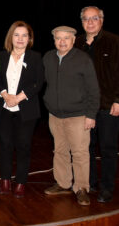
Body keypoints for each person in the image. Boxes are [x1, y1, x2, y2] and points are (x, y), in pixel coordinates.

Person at [75, 6, 119, 203]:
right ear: (81, 21)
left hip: (109, 106)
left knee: (108, 148)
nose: (90, 22)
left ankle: (107, 187)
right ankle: (90, 183)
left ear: (101, 20)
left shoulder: (115, 42)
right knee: (86, 147)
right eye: (86, 19)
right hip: (84, 108)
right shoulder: (76, 44)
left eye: (94, 18)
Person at [43, 25, 100, 206]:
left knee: (80, 153)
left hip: (78, 115)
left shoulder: (83, 59)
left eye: (66, 38)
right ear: (54, 40)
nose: (62, 42)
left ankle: (82, 188)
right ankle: (62, 183)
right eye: (58, 38)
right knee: (59, 151)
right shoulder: (48, 58)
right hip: (55, 115)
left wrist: (91, 115)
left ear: (74, 40)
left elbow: (93, 89)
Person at [0, 21, 44, 198]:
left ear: (29, 39)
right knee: (5, 145)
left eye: (24, 35)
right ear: (11, 37)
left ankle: (21, 182)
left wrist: (19, 97)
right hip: (4, 108)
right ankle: (5, 181)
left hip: (27, 110)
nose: (20, 39)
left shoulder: (36, 57)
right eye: (17, 35)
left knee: (23, 146)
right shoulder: (0, 56)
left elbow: (39, 82)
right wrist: (5, 95)